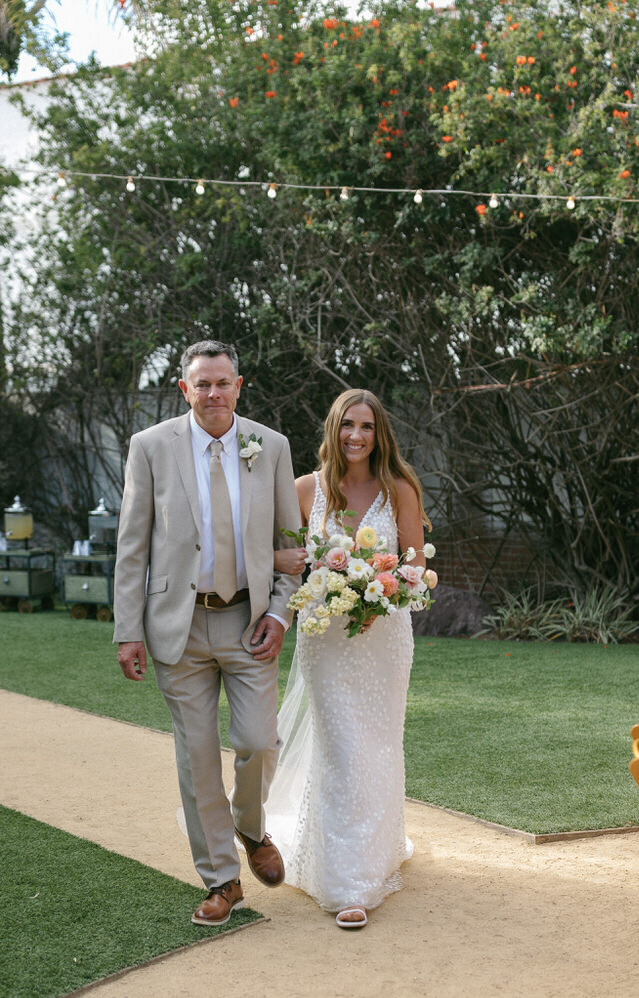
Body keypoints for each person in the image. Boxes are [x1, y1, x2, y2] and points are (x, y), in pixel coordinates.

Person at [113, 340, 302, 926]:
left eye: (223, 383)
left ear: (239, 387)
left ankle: (251, 827)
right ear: (184, 389)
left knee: (258, 741)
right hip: (179, 627)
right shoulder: (150, 448)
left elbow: (293, 549)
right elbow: (132, 544)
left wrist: (279, 613)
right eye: (203, 384)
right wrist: (128, 630)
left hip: (250, 623)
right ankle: (222, 879)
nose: (214, 393)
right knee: (196, 759)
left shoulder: (270, 446)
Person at [266, 389, 432, 929]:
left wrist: (387, 585)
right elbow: (286, 562)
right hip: (326, 640)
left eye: (365, 426)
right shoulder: (304, 491)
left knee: (379, 746)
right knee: (341, 749)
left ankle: (376, 851)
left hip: (385, 639)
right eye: (346, 425)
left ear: (378, 433)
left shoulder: (398, 489)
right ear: (333, 429)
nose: (355, 436)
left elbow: (417, 568)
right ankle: (349, 882)